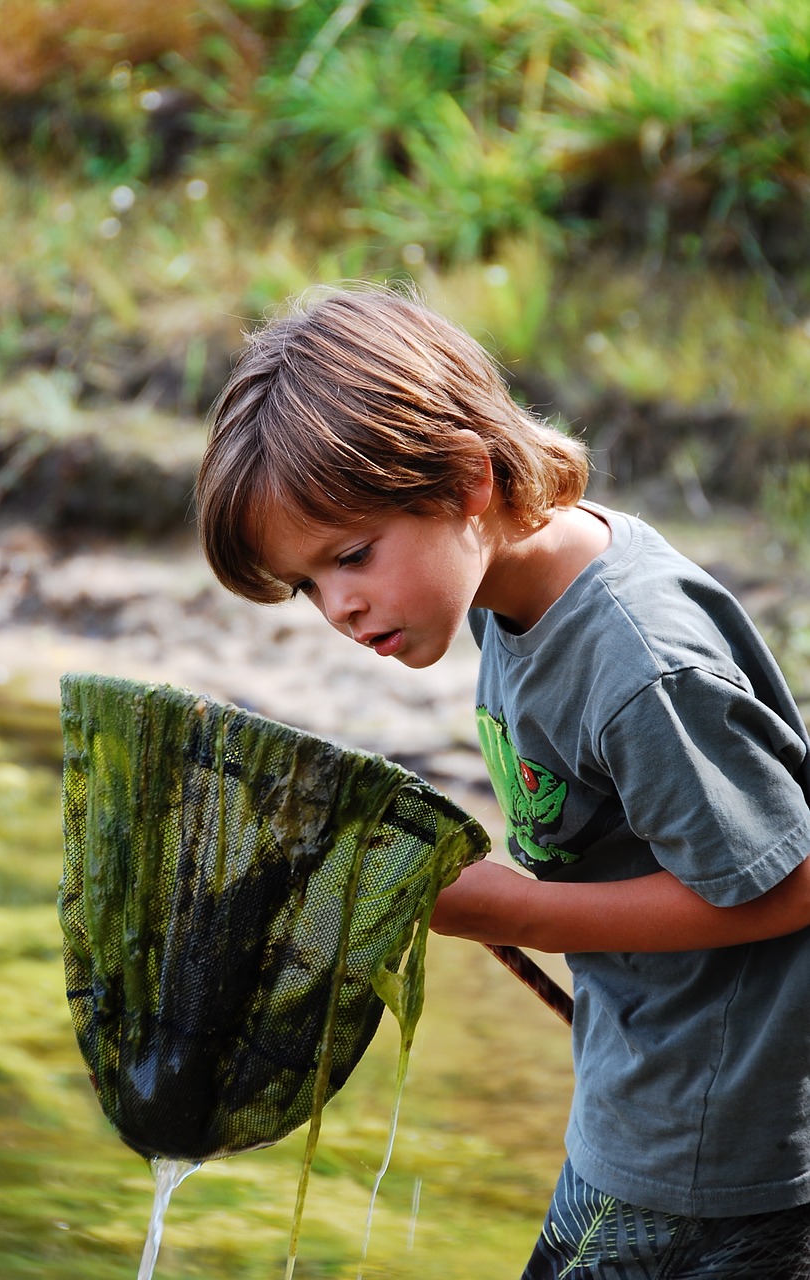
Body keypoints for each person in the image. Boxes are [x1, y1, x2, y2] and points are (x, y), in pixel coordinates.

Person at [195, 283, 810, 1279]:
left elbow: (784, 881)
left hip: (714, 1147)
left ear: (467, 479)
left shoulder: (637, 660)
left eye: (351, 555)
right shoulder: (504, 594)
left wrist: (510, 905)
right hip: (642, 1099)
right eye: (308, 583)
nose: (338, 607)